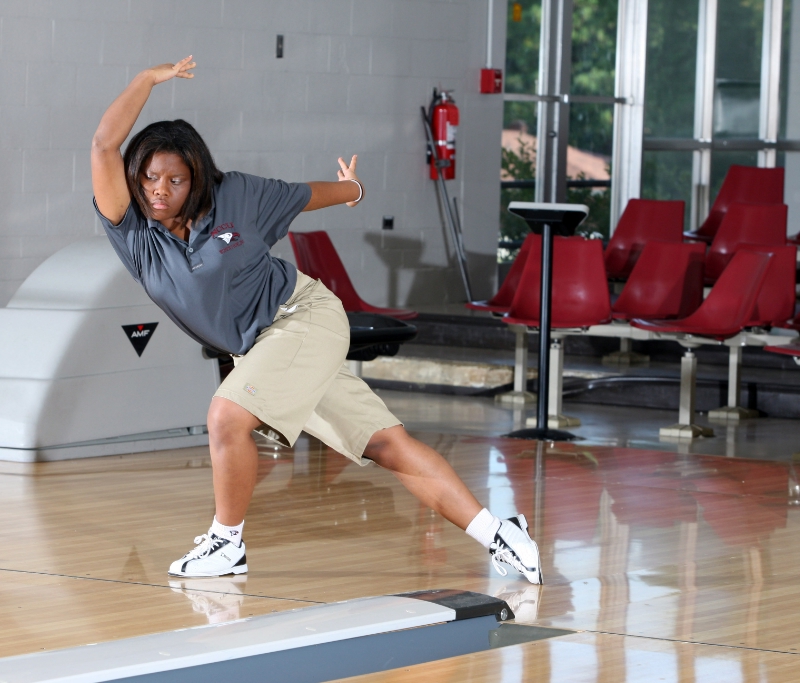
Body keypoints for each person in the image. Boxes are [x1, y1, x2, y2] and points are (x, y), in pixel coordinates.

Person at [90, 56, 543, 585]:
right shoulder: (134, 235)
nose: (159, 190)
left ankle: (226, 543)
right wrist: (147, 79)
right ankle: (503, 536)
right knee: (385, 444)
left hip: (303, 317)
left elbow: (307, 195)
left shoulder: (237, 195)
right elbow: (103, 144)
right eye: (148, 179)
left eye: (175, 179)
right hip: (266, 349)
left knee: (225, 417)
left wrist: (353, 190)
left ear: (198, 180)